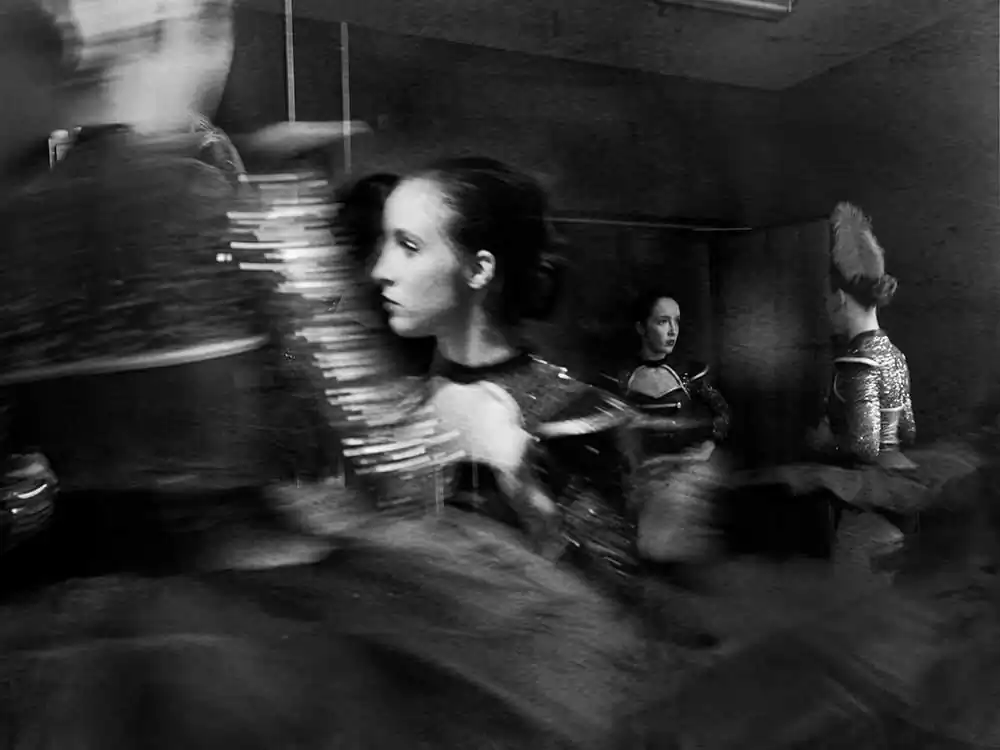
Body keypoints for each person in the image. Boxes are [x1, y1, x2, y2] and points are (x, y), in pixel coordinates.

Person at [371, 156, 638, 592]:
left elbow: (618, 596)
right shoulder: (403, 402)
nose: (381, 271)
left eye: (409, 246)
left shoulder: (574, 414)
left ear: (479, 269)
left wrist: (522, 486)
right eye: (385, 243)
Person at [608, 291, 731, 569]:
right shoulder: (623, 377)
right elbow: (615, 426)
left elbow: (722, 413)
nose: (672, 330)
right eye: (663, 321)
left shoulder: (690, 374)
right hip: (642, 472)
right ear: (642, 328)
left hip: (682, 468)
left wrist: (708, 446)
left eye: (676, 321)